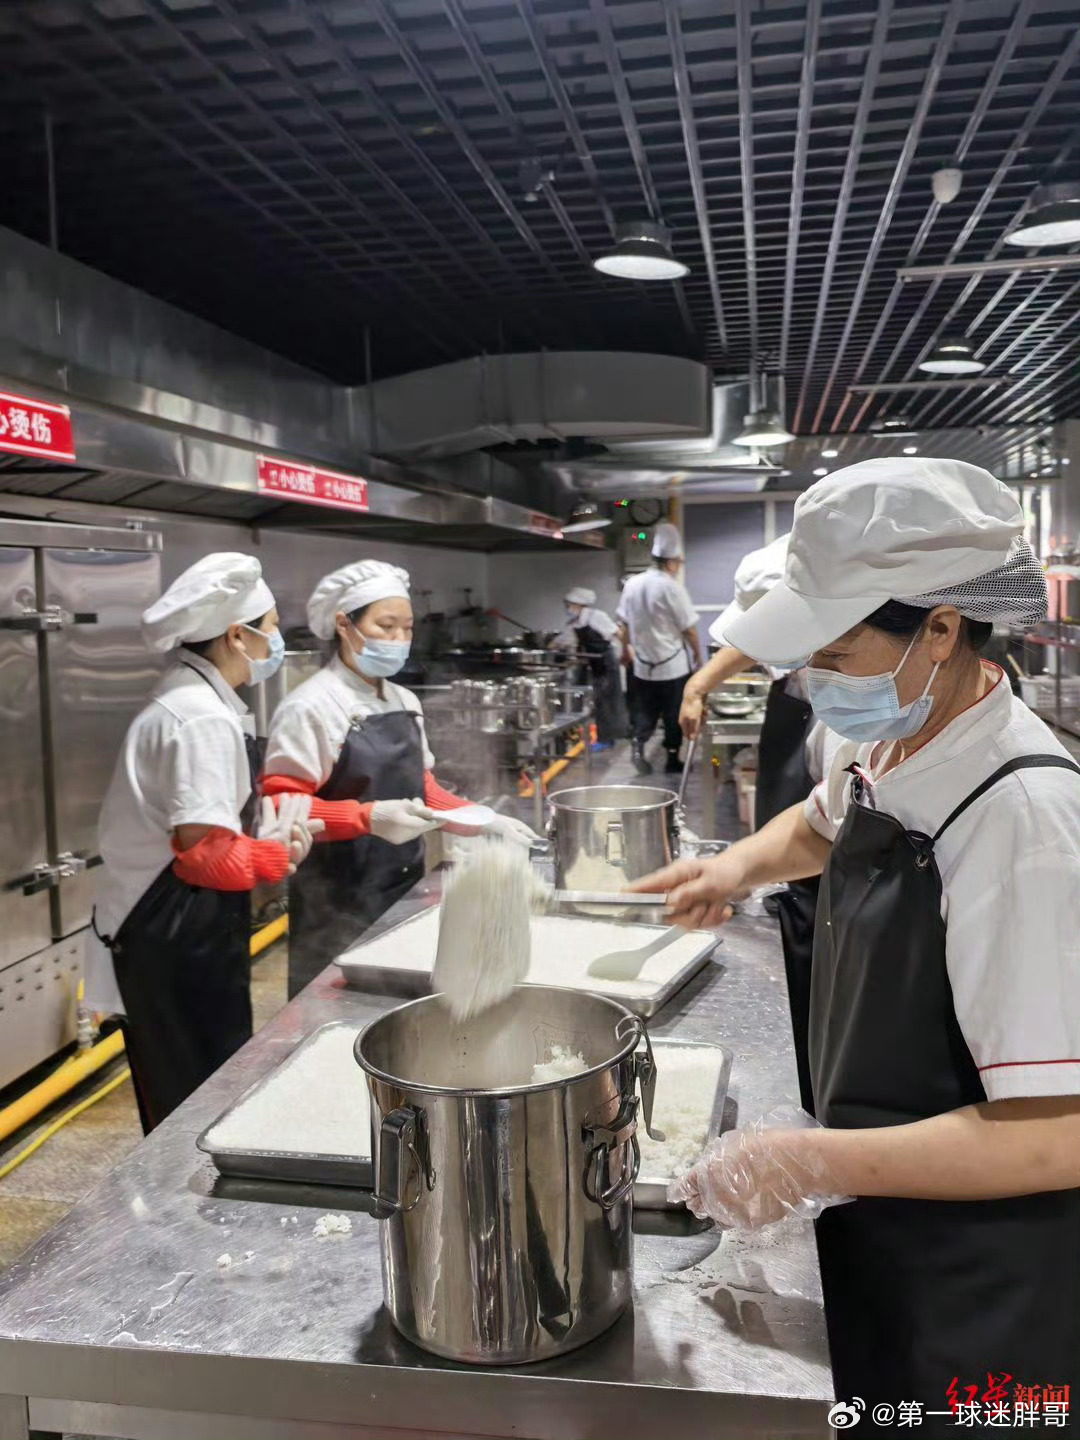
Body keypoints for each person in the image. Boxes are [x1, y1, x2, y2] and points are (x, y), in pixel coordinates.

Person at [632, 458, 1080, 1427]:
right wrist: (729, 870)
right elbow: (823, 825)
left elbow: (1058, 1132)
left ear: (943, 630)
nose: (811, 684)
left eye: (831, 657)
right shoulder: (895, 740)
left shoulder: (1026, 820)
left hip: (980, 1283)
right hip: (888, 1217)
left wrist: (815, 1163)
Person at [87, 554, 320, 1132]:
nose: (275, 642)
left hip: (177, 927)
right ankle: (183, 1212)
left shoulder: (197, 700)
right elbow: (204, 855)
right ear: (237, 636)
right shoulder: (200, 719)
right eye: (269, 627)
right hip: (168, 931)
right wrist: (277, 857)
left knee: (201, 1079)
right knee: (192, 1098)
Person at [262, 560, 538, 998]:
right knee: (338, 1013)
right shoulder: (311, 707)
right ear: (344, 625)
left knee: (398, 1008)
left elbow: (421, 790)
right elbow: (280, 807)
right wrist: (366, 818)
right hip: (336, 899)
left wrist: (481, 821)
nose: (398, 640)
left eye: (407, 628)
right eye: (385, 626)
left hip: (403, 887)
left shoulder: (403, 698)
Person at [681, 532, 839, 1111]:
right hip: (809, 907)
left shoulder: (863, 711)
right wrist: (739, 866)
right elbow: (823, 818)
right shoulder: (832, 687)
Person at [616, 522, 701, 775]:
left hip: (642, 665)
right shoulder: (672, 587)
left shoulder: (632, 583)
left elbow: (623, 625)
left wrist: (625, 650)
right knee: (674, 713)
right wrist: (698, 656)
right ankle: (672, 760)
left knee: (644, 710)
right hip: (672, 665)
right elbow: (689, 629)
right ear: (671, 562)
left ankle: (638, 748)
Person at [552, 586, 628, 747]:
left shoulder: (597, 616)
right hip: (593, 663)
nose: (567, 608)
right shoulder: (576, 622)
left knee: (606, 700)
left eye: (569, 604)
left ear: (579, 604)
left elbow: (619, 634)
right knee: (600, 701)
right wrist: (553, 645)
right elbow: (565, 640)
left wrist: (627, 652)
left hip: (606, 662)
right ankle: (605, 737)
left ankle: (606, 739)